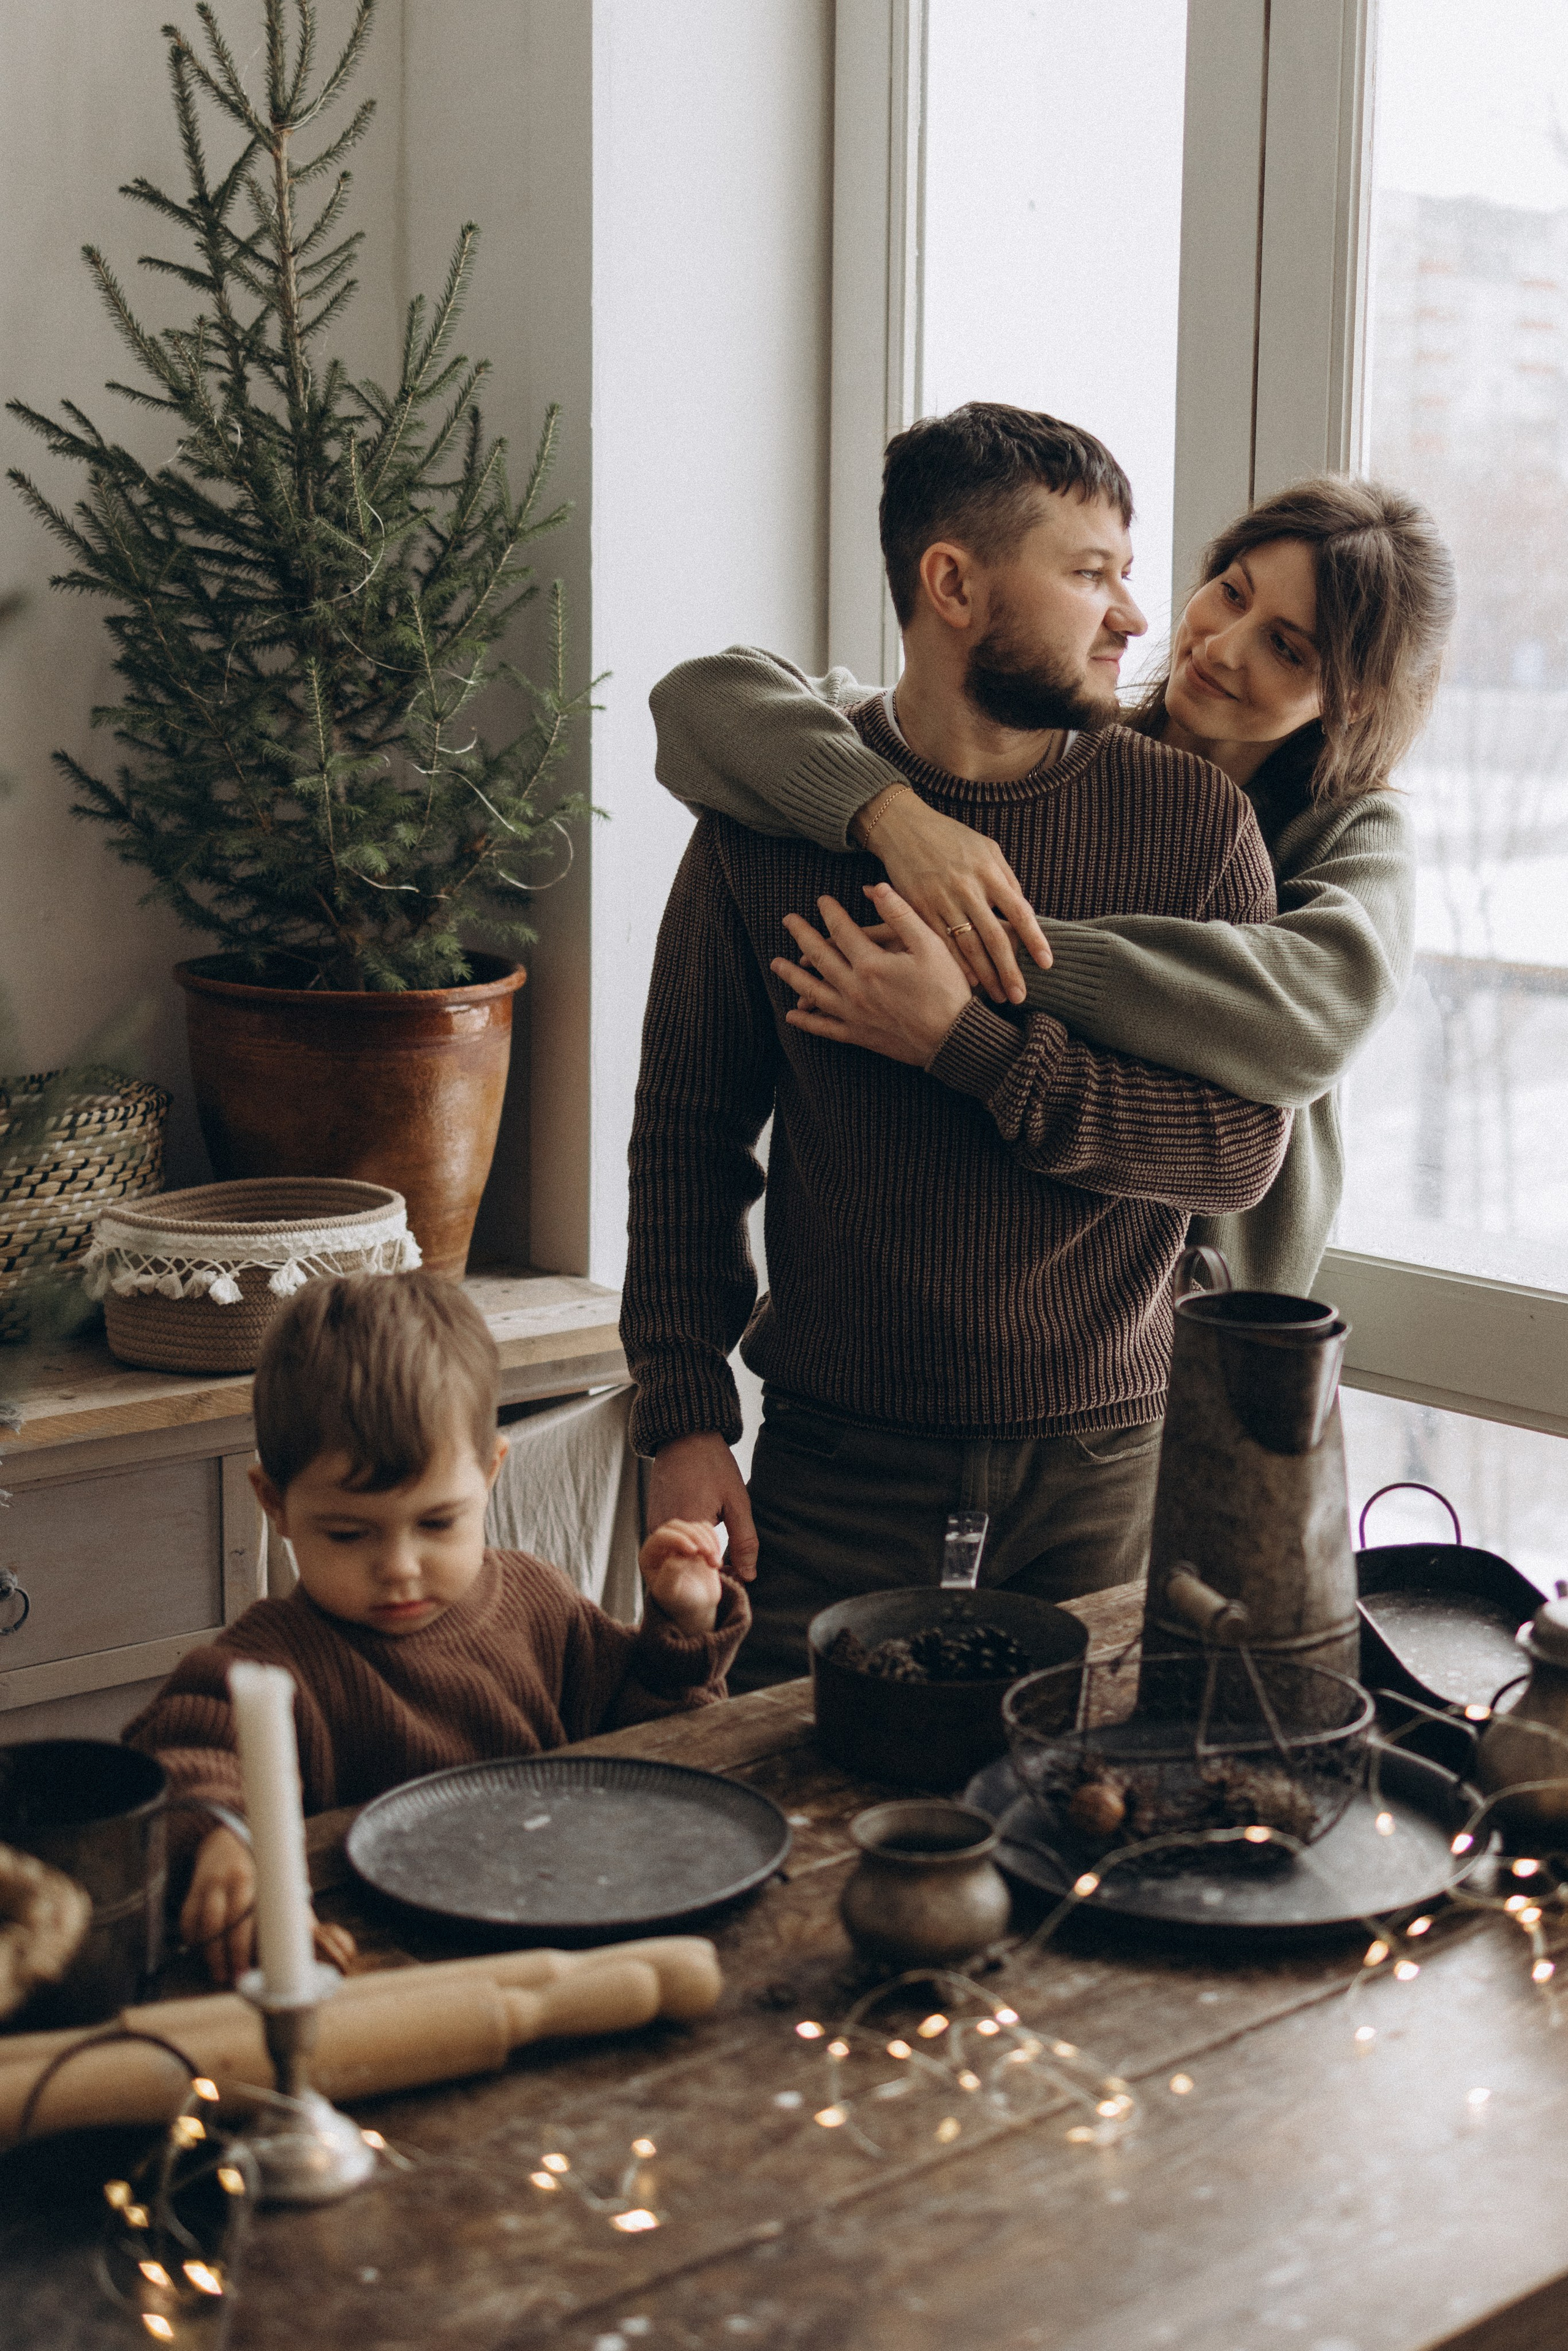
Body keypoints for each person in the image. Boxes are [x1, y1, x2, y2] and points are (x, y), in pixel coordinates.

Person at [622, 402, 1291, 1691]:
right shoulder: (769, 823)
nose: (1134, 616)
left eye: (1126, 572)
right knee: (784, 1815)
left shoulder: (1190, 827)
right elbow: (685, 1139)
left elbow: (1235, 1149)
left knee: (1087, 1832)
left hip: (1108, 1470)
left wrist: (966, 1046)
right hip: (830, 1470)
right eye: (1090, 572)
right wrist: (685, 1413)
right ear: (952, 583)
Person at [651, 474, 1457, 1295]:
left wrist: (979, 944)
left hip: (1201, 1342)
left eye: (1287, 647)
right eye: (1231, 592)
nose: (1220, 645)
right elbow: (700, 701)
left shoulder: (1354, 831)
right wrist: (894, 817)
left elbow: (1319, 1010)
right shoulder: (1051, 748)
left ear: (1352, 696)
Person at [124, 1271, 749, 1983]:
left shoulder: (541, 1607)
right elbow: (172, 1771)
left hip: (560, 1949)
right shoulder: (267, 1665)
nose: (399, 1568)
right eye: (349, 1534)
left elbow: (655, 1750)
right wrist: (223, 1837)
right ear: (276, 1505)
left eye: (436, 1522)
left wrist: (681, 1625)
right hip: (380, 1977)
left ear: (489, 1474)